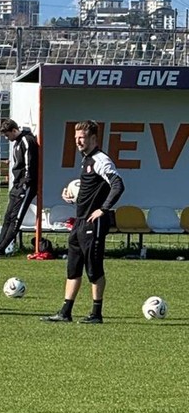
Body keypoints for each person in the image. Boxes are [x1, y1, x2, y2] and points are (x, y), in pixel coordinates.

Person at [43, 120, 125, 325]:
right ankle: (65, 311)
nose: (78, 141)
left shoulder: (101, 160)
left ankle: (96, 313)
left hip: (93, 224)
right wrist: (72, 197)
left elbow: (117, 185)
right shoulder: (85, 160)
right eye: (76, 138)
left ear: (93, 138)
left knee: (94, 269)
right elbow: (90, 190)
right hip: (79, 222)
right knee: (73, 268)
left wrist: (103, 209)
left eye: (82, 138)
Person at [0, 119, 39, 257]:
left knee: (16, 219)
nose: (7, 138)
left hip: (26, 186)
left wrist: (25, 183)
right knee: (8, 217)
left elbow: (30, 163)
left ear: (14, 130)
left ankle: (1, 250)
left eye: (7, 135)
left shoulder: (26, 140)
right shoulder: (17, 143)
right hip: (17, 185)